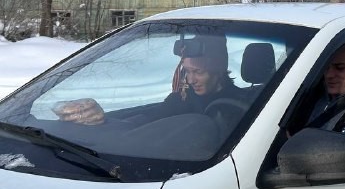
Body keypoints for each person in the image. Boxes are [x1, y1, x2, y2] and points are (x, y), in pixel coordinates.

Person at [54, 35, 249, 127]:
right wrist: (102, 122)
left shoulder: (238, 107)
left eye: (198, 72)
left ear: (218, 71)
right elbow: (148, 121)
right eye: (187, 71)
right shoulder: (181, 99)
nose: (190, 80)